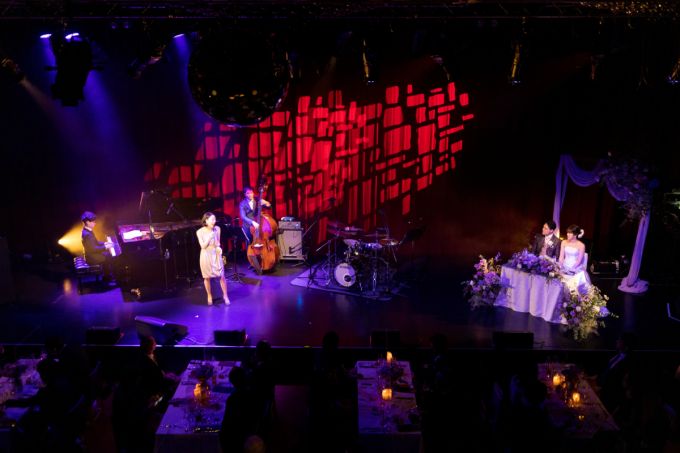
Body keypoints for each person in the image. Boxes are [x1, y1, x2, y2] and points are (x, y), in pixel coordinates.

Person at [196, 212, 230, 306]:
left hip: (215, 254)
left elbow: (218, 242)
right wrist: (209, 237)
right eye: (212, 219)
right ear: (206, 220)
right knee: (207, 277)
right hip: (206, 255)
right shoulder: (199, 232)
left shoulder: (217, 229)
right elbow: (203, 246)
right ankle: (209, 295)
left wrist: (219, 248)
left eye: (215, 219)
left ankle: (225, 295)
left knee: (222, 276)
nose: (214, 221)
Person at [81, 211, 116, 281]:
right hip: (91, 257)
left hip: (91, 254)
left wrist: (105, 243)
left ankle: (108, 275)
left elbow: (96, 242)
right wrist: (106, 247)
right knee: (108, 256)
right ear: (87, 222)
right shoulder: (87, 234)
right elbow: (93, 249)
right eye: (93, 222)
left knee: (107, 254)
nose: (95, 223)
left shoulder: (88, 231)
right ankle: (107, 277)